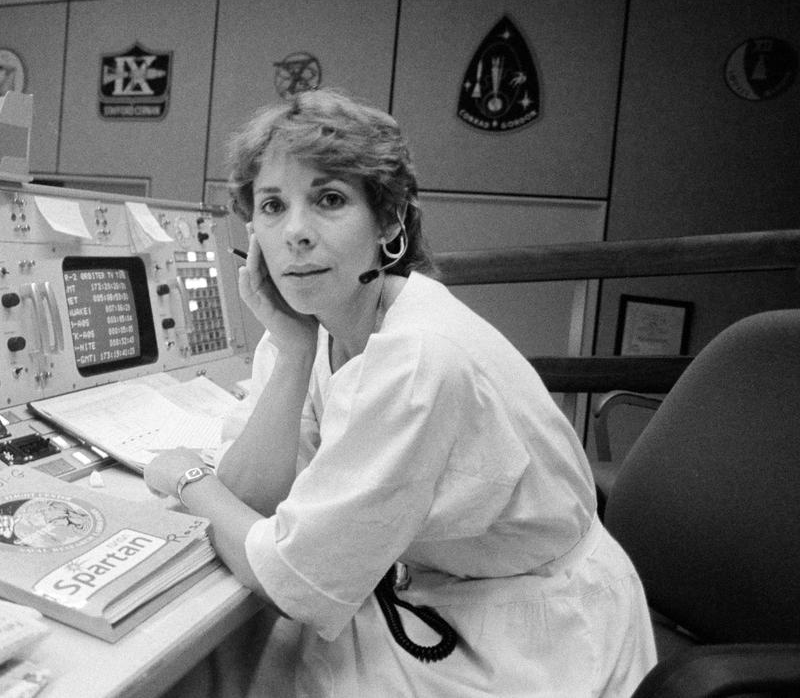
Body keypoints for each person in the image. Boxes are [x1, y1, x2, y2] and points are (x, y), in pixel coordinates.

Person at [144, 89, 656, 696]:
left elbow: (298, 581)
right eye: (273, 206)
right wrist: (292, 354)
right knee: (220, 662)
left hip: (527, 637)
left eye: (329, 200)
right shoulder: (314, 328)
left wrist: (184, 479)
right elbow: (254, 497)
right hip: (437, 593)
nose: (296, 233)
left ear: (389, 220)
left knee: (217, 666)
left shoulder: (418, 354)